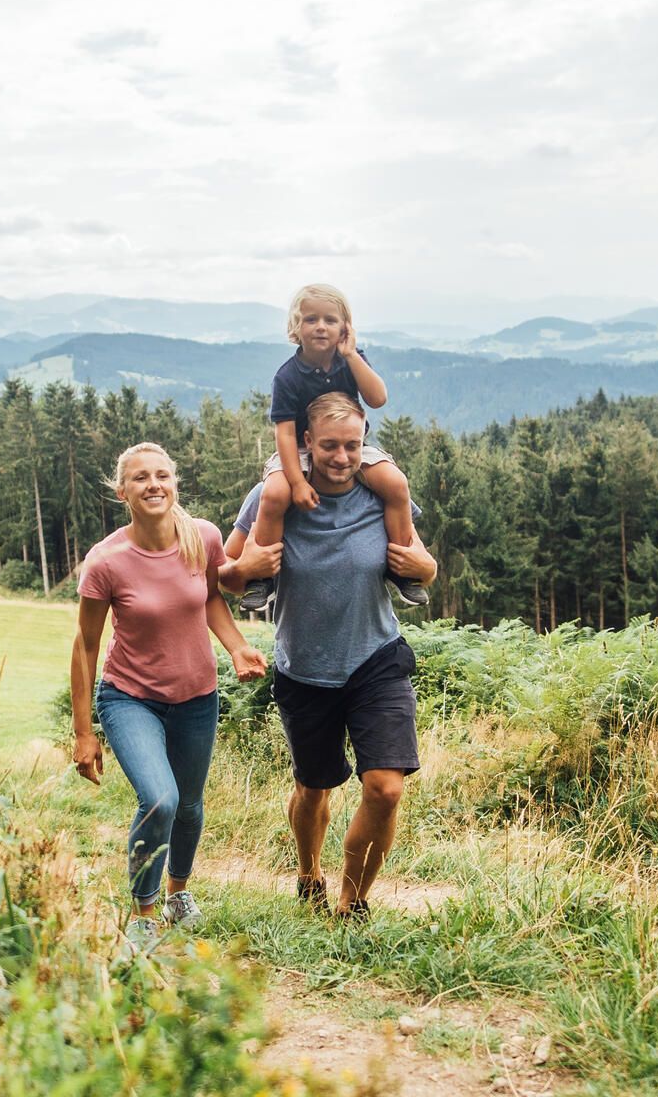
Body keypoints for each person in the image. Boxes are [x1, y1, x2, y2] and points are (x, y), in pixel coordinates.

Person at [223, 391, 437, 921]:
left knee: (385, 789)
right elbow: (223, 576)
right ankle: (308, 871)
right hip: (305, 667)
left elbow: (420, 561)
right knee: (313, 787)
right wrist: (247, 567)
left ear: (365, 444)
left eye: (352, 446)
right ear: (307, 445)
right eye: (329, 446)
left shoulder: (383, 493)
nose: (341, 458)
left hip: (376, 659)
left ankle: (352, 900)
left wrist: (427, 571)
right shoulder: (272, 496)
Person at [69, 442, 268, 951]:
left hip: (197, 695)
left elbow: (210, 600)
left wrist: (238, 647)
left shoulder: (202, 537)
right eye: (141, 478)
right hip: (129, 697)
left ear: (174, 482)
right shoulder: (106, 561)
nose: (154, 484)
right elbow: (86, 645)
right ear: (123, 492)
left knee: (190, 806)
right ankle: (143, 911)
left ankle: (179, 892)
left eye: (162, 475)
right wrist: (84, 732)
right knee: (160, 799)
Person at [238, 283, 427, 613]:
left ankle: (401, 565)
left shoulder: (350, 361)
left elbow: (378, 398)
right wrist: (297, 481)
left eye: (330, 319)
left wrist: (351, 355)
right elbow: (283, 434)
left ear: (345, 326)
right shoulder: (287, 376)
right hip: (298, 448)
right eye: (311, 319)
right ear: (296, 327)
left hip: (352, 446)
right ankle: (261, 577)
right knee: (275, 495)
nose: (321, 326)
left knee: (396, 484)